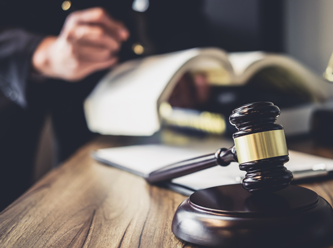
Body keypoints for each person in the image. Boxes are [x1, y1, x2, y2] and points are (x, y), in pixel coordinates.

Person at [0, 0, 210, 210]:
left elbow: (181, 17)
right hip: (16, 88)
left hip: (120, 107)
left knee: (96, 201)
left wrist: (178, 64)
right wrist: (44, 53)